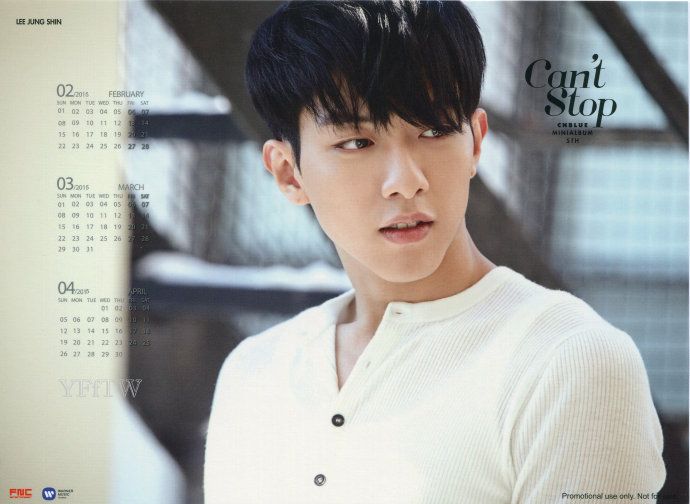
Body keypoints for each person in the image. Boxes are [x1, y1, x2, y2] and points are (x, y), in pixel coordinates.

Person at [204, 1, 666, 502]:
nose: (406, 182)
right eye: (357, 143)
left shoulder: (567, 360)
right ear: (288, 173)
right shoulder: (254, 371)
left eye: (433, 131)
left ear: (475, 143)